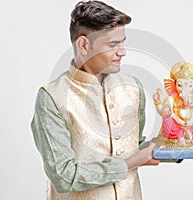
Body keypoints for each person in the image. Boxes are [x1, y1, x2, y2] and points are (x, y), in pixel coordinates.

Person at [31, 1, 161, 199]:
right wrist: (129, 163)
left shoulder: (133, 87)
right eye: (112, 44)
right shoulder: (52, 98)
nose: (122, 51)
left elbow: (137, 147)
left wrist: (179, 140)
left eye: (122, 42)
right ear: (84, 45)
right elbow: (64, 176)